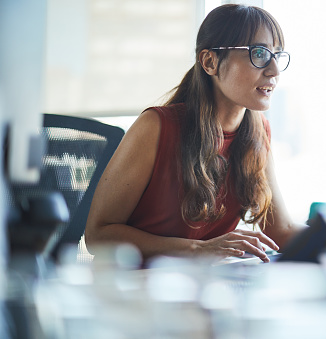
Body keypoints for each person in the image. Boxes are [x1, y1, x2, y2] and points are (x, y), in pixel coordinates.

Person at [85, 4, 307, 264]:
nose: (274, 71)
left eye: (277, 56)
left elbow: (281, 230)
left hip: (203, 289)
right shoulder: (156, 127)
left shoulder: (258, 131)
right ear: (210, 62)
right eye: (258, 53)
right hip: (137, 290)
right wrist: (197, 249)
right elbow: (98, 235)